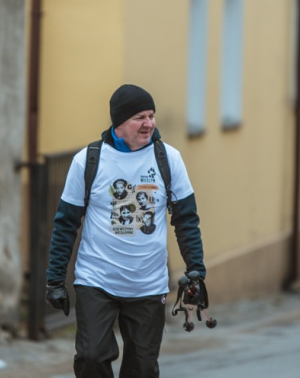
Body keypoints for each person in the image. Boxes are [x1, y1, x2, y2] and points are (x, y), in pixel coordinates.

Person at [46, 84, 206, 378]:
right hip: (97, 281)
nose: (149, 124)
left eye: (151, 116)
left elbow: (186, 219)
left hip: (148, 285)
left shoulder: (169, 160)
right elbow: (66, 223)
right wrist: (55, 279)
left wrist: (196, 269)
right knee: (91, 358)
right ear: (119, 124)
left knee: (143, 368)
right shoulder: (88, 161)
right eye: (139, 117)